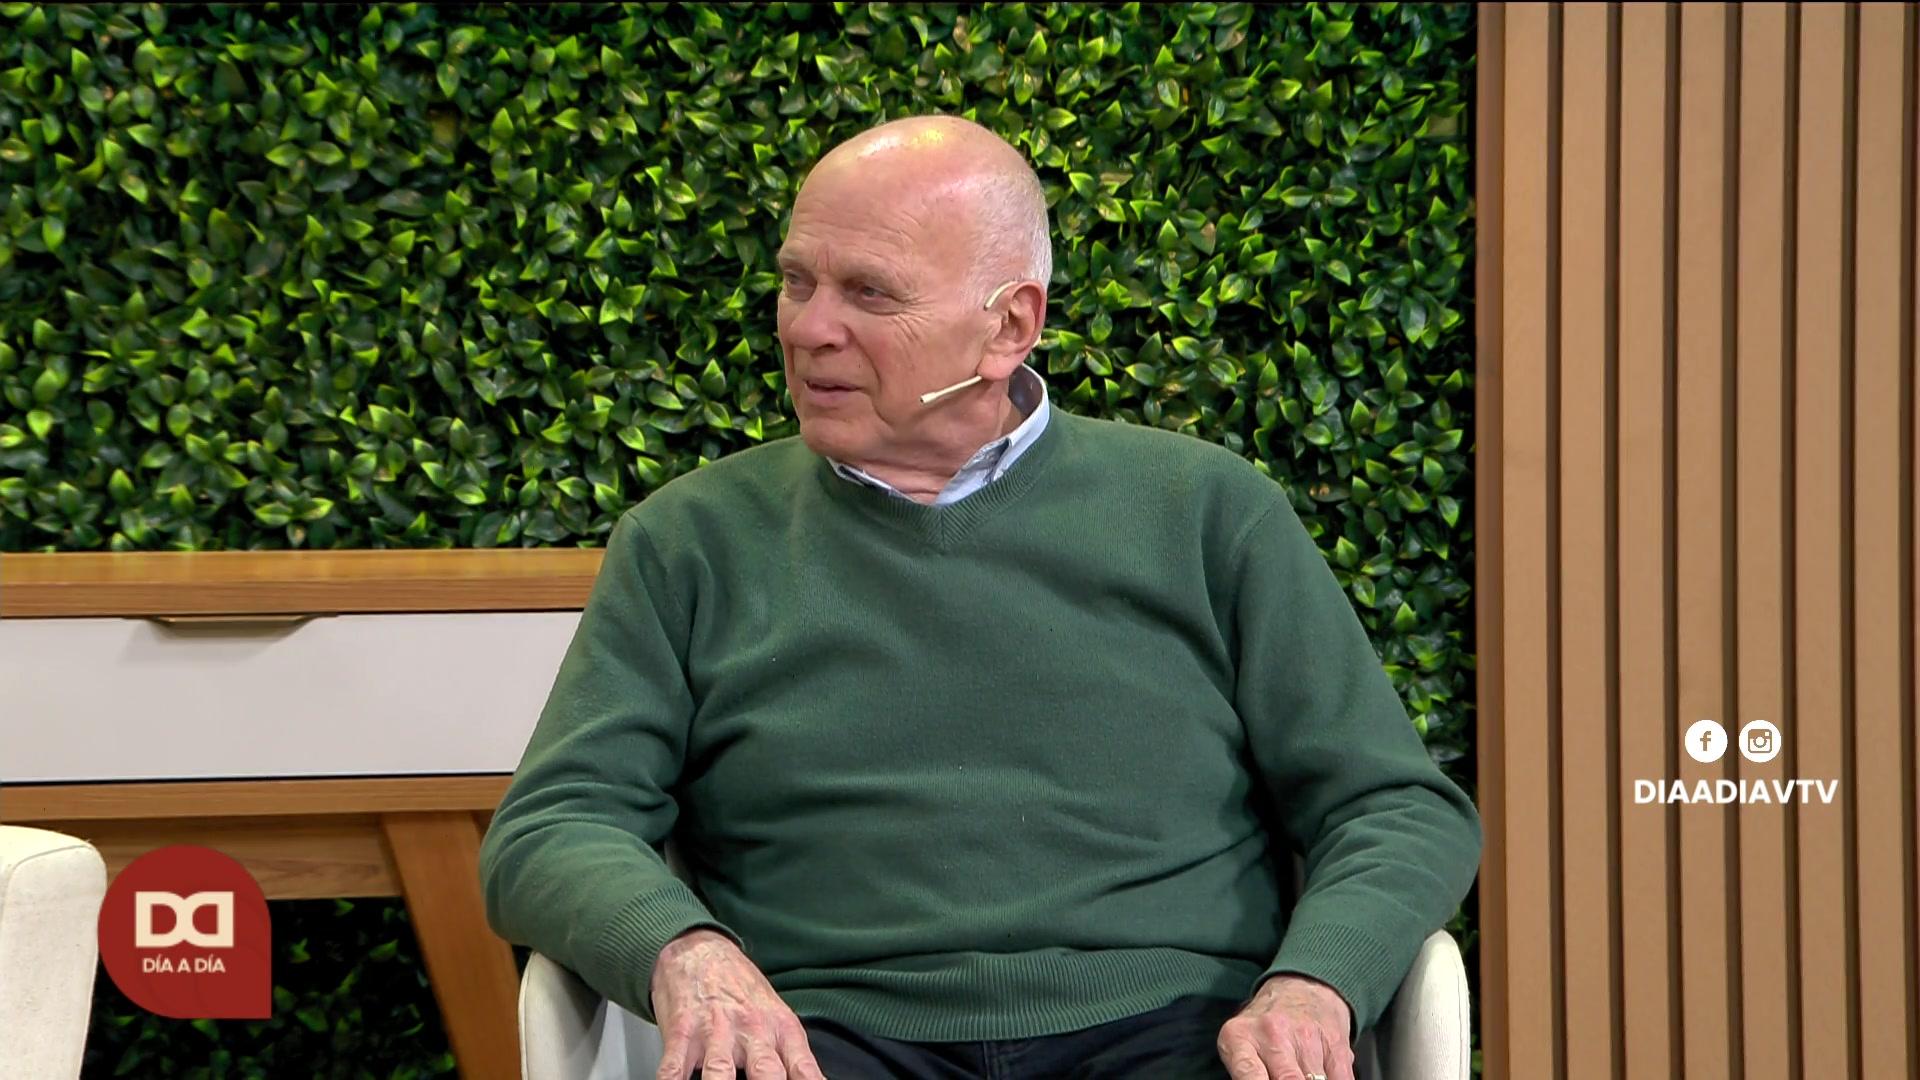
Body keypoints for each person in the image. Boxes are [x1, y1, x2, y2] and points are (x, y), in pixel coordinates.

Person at [479, 113, 1482, 1080]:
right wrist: (682, 949)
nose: (808, 328)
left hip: (1179, 1026)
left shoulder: (1206, 512)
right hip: (815, 1034)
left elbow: (1393, 807)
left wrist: (1315, 983)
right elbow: (552, 825)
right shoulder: (688, 541)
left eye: (869, 293)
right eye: (796, 281)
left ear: (1009, 325)